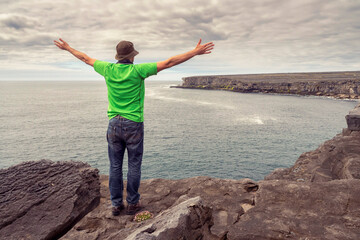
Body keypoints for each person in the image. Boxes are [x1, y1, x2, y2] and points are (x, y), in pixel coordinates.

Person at [54, 38, 214, 216]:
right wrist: (194, 52)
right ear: (132, 56)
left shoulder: (107, 69)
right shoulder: (138, 70)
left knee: (115, 166)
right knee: (134, 164)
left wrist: (68, 48)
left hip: (114, 123)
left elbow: (85, 58)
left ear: (118, 55)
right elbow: (169, 62)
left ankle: (116, 205)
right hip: (133, 124)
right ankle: (132, 203)